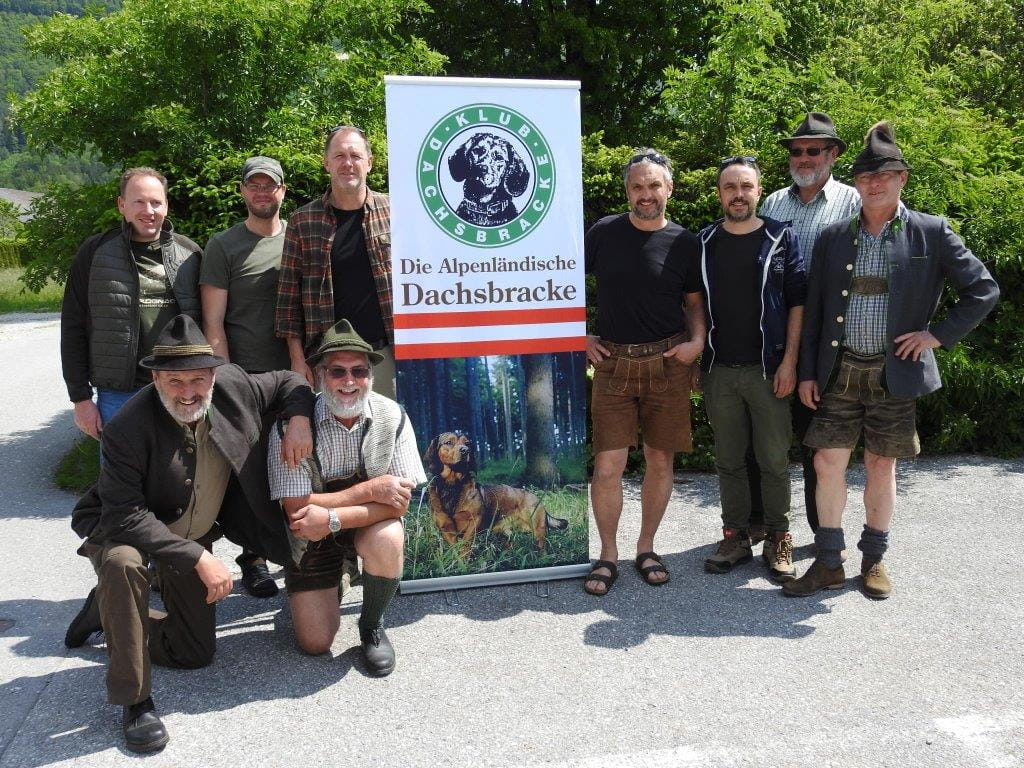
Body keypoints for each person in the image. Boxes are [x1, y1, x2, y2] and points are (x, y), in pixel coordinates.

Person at [64, 315, 314, 753]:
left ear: (215, 375)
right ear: (157, 378)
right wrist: (199, 558)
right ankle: (135, 701)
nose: (188, 392)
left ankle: (106, 613)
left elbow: (290, 380)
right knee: (123, 564)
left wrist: (299, 421)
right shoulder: (126, 428)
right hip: (125, 529)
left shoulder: (235, 386)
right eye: (175, 381)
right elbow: (124, 516)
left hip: (193, 533)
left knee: (194, 652)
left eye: (198, 379)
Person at [784, 122, 999, 599]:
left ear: (902, 178)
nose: (874, 184)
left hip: (894, 374)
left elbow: (982, 290)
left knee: (882, 466)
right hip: (839, 373)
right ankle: (828, 563)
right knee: (826, 463)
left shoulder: (931, 231)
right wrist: (806, 373)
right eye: (865, 178)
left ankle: (874, 561)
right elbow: (816, 311)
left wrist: (937, 336)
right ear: (856, 183)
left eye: (885, 176)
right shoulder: (835, 236)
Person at [268, 319, 426, 675]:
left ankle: (371, 626)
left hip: (357, 527)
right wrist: (371, 490)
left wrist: (332, 518)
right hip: (311, 538)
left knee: (387, 537)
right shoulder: (290, 427)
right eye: (337, 372)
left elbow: (398, 502)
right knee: (315, 643)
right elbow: (297, 510)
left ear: (370, 374)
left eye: (358, 371)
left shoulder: (393, 415)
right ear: (321, 374)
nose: (349, 381)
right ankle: (339, 572)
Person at [583, 148, 705, 596]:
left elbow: (695, 304)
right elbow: (563, 279)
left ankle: (647, 547)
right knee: (608, 464)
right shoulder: (604, 233)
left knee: (660, 459)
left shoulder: (686, 242)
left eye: (655, 185)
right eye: (638, 186)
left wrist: (697, 343)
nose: (646, 194)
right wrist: (581, 335)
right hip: (613, 364)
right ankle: (608, 554)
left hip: (668, 363)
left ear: (669, 188)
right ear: (627, 190)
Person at [749, 112, 861, 535]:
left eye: (813, 150)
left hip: (833, 342)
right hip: (779, 338)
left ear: (832, 153)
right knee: (766, 438)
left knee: (820, 443)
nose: (804, 157)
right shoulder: (773, 202)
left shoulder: (856, 201)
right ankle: (761, 524)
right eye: (797, 151)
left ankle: (823, 531)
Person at [698, 156, 806, 582]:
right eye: (730, 187)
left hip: (769, 369)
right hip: (720, 370)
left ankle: (779, 537)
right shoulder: (704, 241)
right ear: (720, 193)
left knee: (774, 460)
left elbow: (797, 302)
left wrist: (791, 362)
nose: (738, 194)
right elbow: (693, 305)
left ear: (759, 191)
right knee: (728, 460)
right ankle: (735, 536)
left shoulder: (781, 237)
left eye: (745, 186)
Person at [200, 155, 291, 598]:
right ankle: (253, 560)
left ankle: (299, 550)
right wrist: (225, 379)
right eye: (253, 186)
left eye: (269, 186)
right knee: (247, 472)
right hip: (242, 378)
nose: (261, 192)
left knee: (294, 465)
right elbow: (213, 321)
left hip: (293, 374)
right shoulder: (223, 246)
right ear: (243, 192)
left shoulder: (298, 238)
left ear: (282, 191)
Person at [61, 167, 201, 440]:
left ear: (167, 206)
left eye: (156, 202)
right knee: (120, 479)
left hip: (181, 389)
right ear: (122, 205)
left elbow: (209, 323)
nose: (148, 210)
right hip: (118, 393)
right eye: (138, 201)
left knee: (183, 478)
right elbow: (73, 327)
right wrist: (80, 399)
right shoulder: (95, 253)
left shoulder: (191, 254)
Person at [275, 125, 396, 398]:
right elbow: (287, 300)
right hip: (328, 360)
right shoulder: (302, 221)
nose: (348, 163)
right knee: (333, 438)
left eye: (355, 155)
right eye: (339, 156)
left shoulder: (395, 213)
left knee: (388, 435)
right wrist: (297, 359)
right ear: (326, 163)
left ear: (370, 163)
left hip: (386, 353)